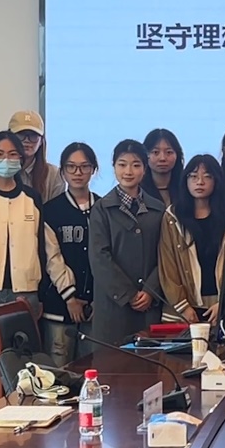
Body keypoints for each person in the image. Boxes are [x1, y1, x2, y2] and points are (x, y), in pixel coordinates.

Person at [0, 131, 76, 413]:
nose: (6, 160)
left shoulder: (32, 199)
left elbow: (41, 250)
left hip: (25, 295)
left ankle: (22, 429)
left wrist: (41, 295)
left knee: (24, 373)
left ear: (22, 160)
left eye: (13, 155)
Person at [89, 140, 166, 344]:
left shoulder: (158, 209)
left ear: (145, 169)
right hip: (113, 308)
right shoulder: (101, 209)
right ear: (114, 167)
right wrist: (129, 294)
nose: (128, 171)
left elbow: (165, 256)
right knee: (112, 361)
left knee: (150, 360)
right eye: (122, 164)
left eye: (136, 165)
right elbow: (99, 258)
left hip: (150, 306)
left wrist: (150, 290)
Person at [160, 155, 225, 327]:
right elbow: (167, 265)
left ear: (216, 181)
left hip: (220, 304)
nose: (200, 182)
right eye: (193, 176)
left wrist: (224, 302)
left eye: (207, 176)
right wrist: (183, 306)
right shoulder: (172, 216)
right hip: (183, 307)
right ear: (185, 181)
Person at [40, 143, 97, 367]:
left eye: (84, 166)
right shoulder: (51, 210)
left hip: (95, 308)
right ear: (62, 171)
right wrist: (70, 297)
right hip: (59, 306)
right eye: (71, 167)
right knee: (58, 372)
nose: (78, 172)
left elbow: (107, 258)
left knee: (92, 370)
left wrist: (98, 298)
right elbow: (52, 258)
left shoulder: (103, 208)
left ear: (93, 169)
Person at [0, 111, 65, 204]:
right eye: (21, 135)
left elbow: (56, 210)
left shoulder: (53, 175)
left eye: (33, 136)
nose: (27, 140)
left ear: (41, 141)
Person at [143, 128, 183, 208]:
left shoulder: (187, 188)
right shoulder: (137, 191)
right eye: (155, 152)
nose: (162, 158)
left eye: (169, 152)